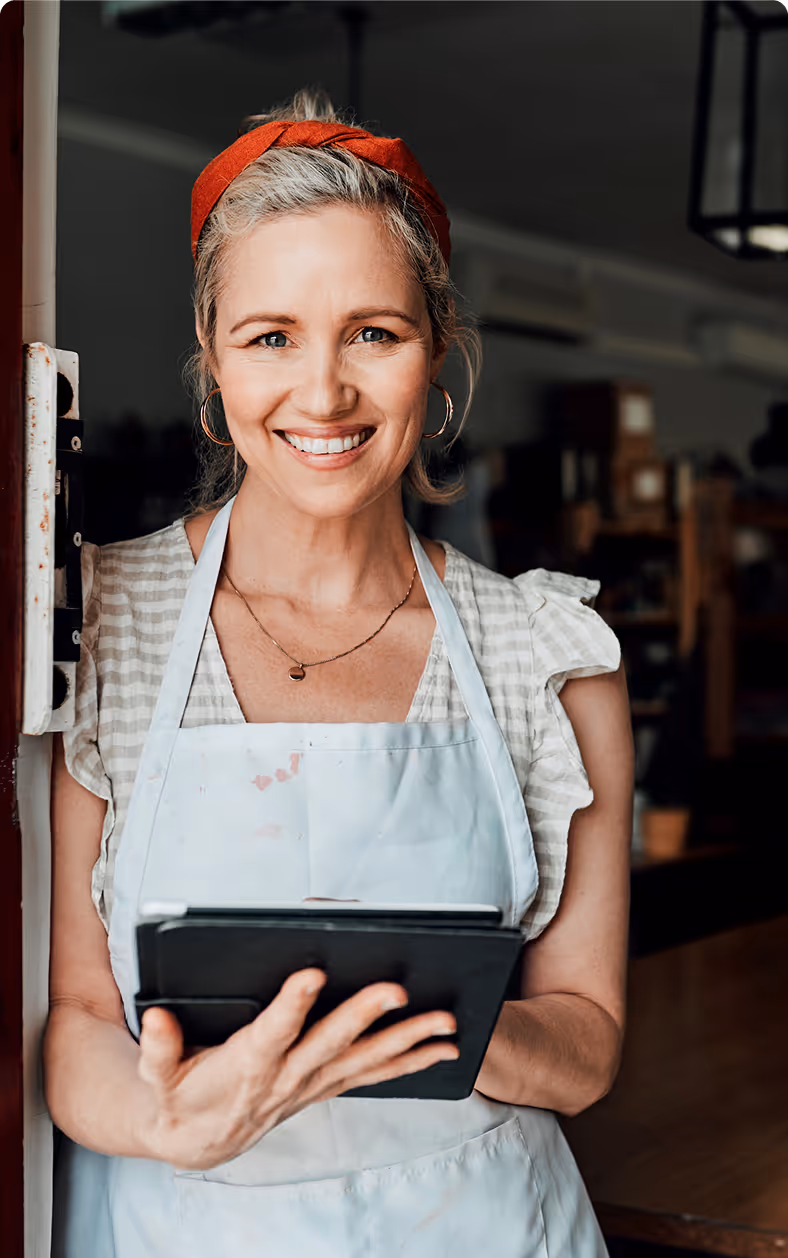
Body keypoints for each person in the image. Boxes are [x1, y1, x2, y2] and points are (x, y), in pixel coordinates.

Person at [46, 90, 633, 1257]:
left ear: (438, 354)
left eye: (373, 331)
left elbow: (583, 1045)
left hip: (475, 1220)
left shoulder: (544, 657)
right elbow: (73, 1021)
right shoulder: (98, 621)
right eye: (270, 337)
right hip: (177, 1217)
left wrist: (415, 1028)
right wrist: (168, 1116)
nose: (322, 395)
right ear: (211, 358)